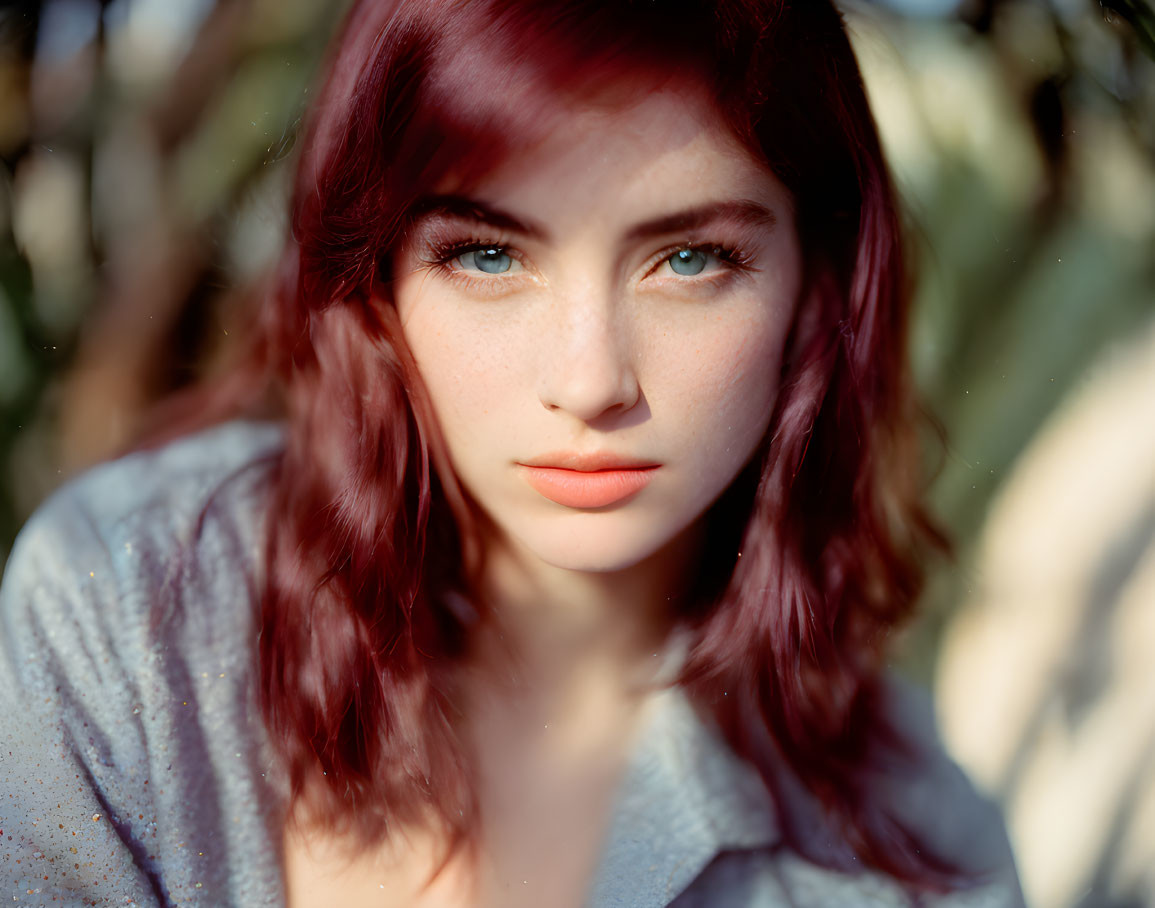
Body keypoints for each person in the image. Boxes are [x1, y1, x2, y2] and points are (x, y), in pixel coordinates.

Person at [0, 1, 1025, 905]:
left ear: (817, 280)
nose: (588, 382)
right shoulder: (136, 607)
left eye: (690, 259)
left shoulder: (913, 849)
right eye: (487, 254)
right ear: (378, 281)